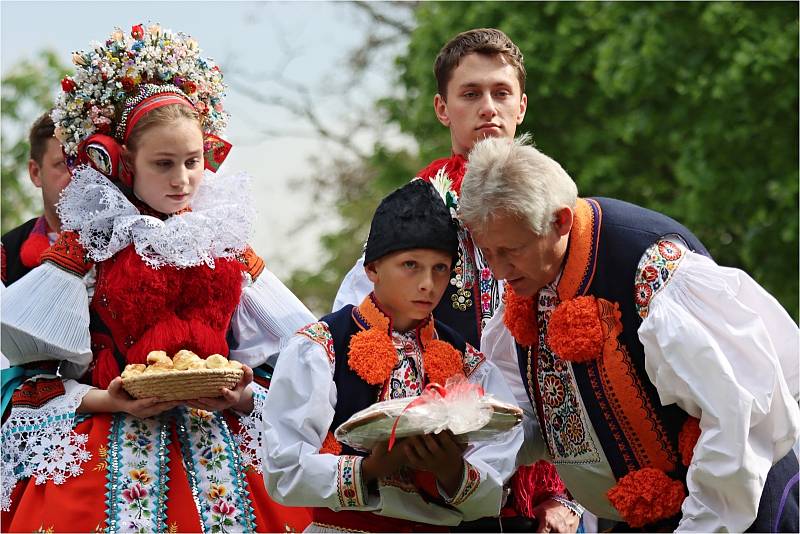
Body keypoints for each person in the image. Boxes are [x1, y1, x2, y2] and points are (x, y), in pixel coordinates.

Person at [1, 24, 314, 532]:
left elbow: (293, 355)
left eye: (192, 162)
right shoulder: (90, 246)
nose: (182, 179)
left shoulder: (224, 240)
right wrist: (106, 398)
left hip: (219, 438)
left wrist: (241, 393)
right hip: (109, 440)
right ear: (123, 163)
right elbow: (29, 378)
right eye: (163, 164)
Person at [460, 135, 800, 532]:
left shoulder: (655, 274)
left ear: (560, 221)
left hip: (736, 515)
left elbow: (736, 418)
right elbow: (537, 425)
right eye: (488, 253)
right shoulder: (529, 293)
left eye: (510, 250)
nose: (498, 271)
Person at [333, 28, 580, 532]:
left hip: (550, 481)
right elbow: (357, 332)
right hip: (440, 478)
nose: (488, 108)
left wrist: (566, 497)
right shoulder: (411, 215)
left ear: (522, 106)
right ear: (442, 108)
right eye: (470, 94)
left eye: (500, 93)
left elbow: (577, 368)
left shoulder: (558, 208)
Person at [262, 179, 524, 532]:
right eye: (410, 265)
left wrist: (452, 471)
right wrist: (369, 470)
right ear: (371, 269)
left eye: (440, 268)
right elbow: (283, 471)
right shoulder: (320, 347)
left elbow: (498, 468)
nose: (428, 284)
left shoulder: (468, 363)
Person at [1, 112, 71, 286]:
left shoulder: (129, 247)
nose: (76, 174)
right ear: (35, 173)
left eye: (86, 162)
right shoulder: (8, 252)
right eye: (62, 164)